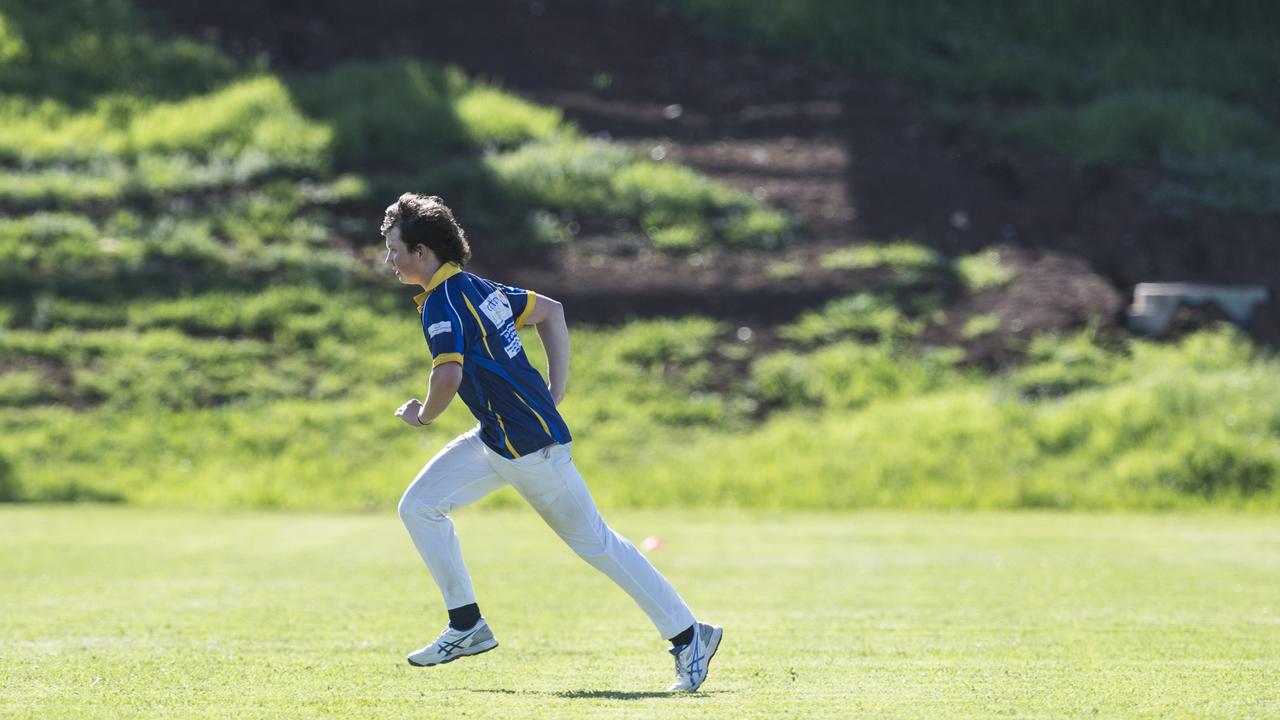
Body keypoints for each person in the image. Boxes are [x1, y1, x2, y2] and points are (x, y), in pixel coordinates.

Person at [381, 193, 721, 692]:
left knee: (599, 545)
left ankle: (691, 636)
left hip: (532, 451)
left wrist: (422, 417)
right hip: (500, 441)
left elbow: (448, 377)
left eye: (394, 249)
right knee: (420, 506)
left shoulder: (442, 303)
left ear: (424, 252)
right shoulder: (478, 288)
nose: (389, 260)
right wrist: (554, 391)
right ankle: (466, 624)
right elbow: (552, 312)